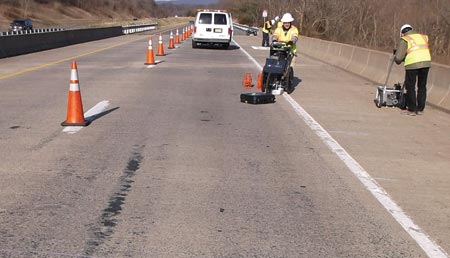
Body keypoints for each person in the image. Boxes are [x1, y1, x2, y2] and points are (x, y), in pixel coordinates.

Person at [394, 24, 431, 116]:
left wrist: (397, 58)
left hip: (412, 64)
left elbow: (398, 58)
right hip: (426, 62)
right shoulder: (423, 37)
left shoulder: (405, 39)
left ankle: (412, 109)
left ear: (402, 33)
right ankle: (420, 109)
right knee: (422, 86)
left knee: (410, 86)